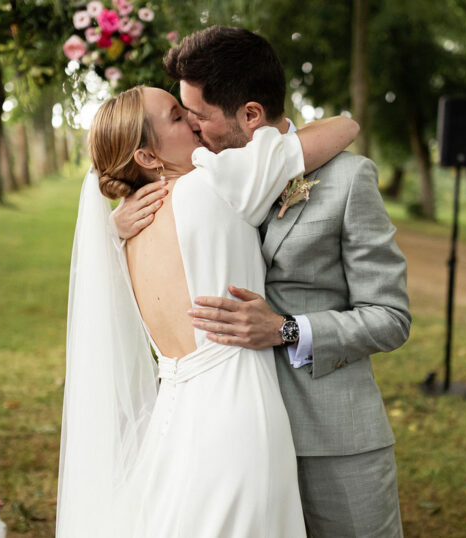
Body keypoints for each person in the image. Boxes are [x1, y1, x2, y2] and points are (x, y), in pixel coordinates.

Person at [113, 26, 411, 537]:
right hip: (230, 439)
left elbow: (391, 318)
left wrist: (287, 330)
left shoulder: (347, 179)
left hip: (331, 439)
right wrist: (113, 228)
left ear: (250, 114)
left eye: (198, 117)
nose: (193, 129)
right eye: (182, 117)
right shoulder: (197, 182)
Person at [56, 82, 359, 536]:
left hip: (173, 418)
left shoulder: (122, 233)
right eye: (178, 117)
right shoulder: (216, 181)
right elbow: (345, 126)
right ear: (147, 157)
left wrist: (109, 228)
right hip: (238, 413)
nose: (194, 121)